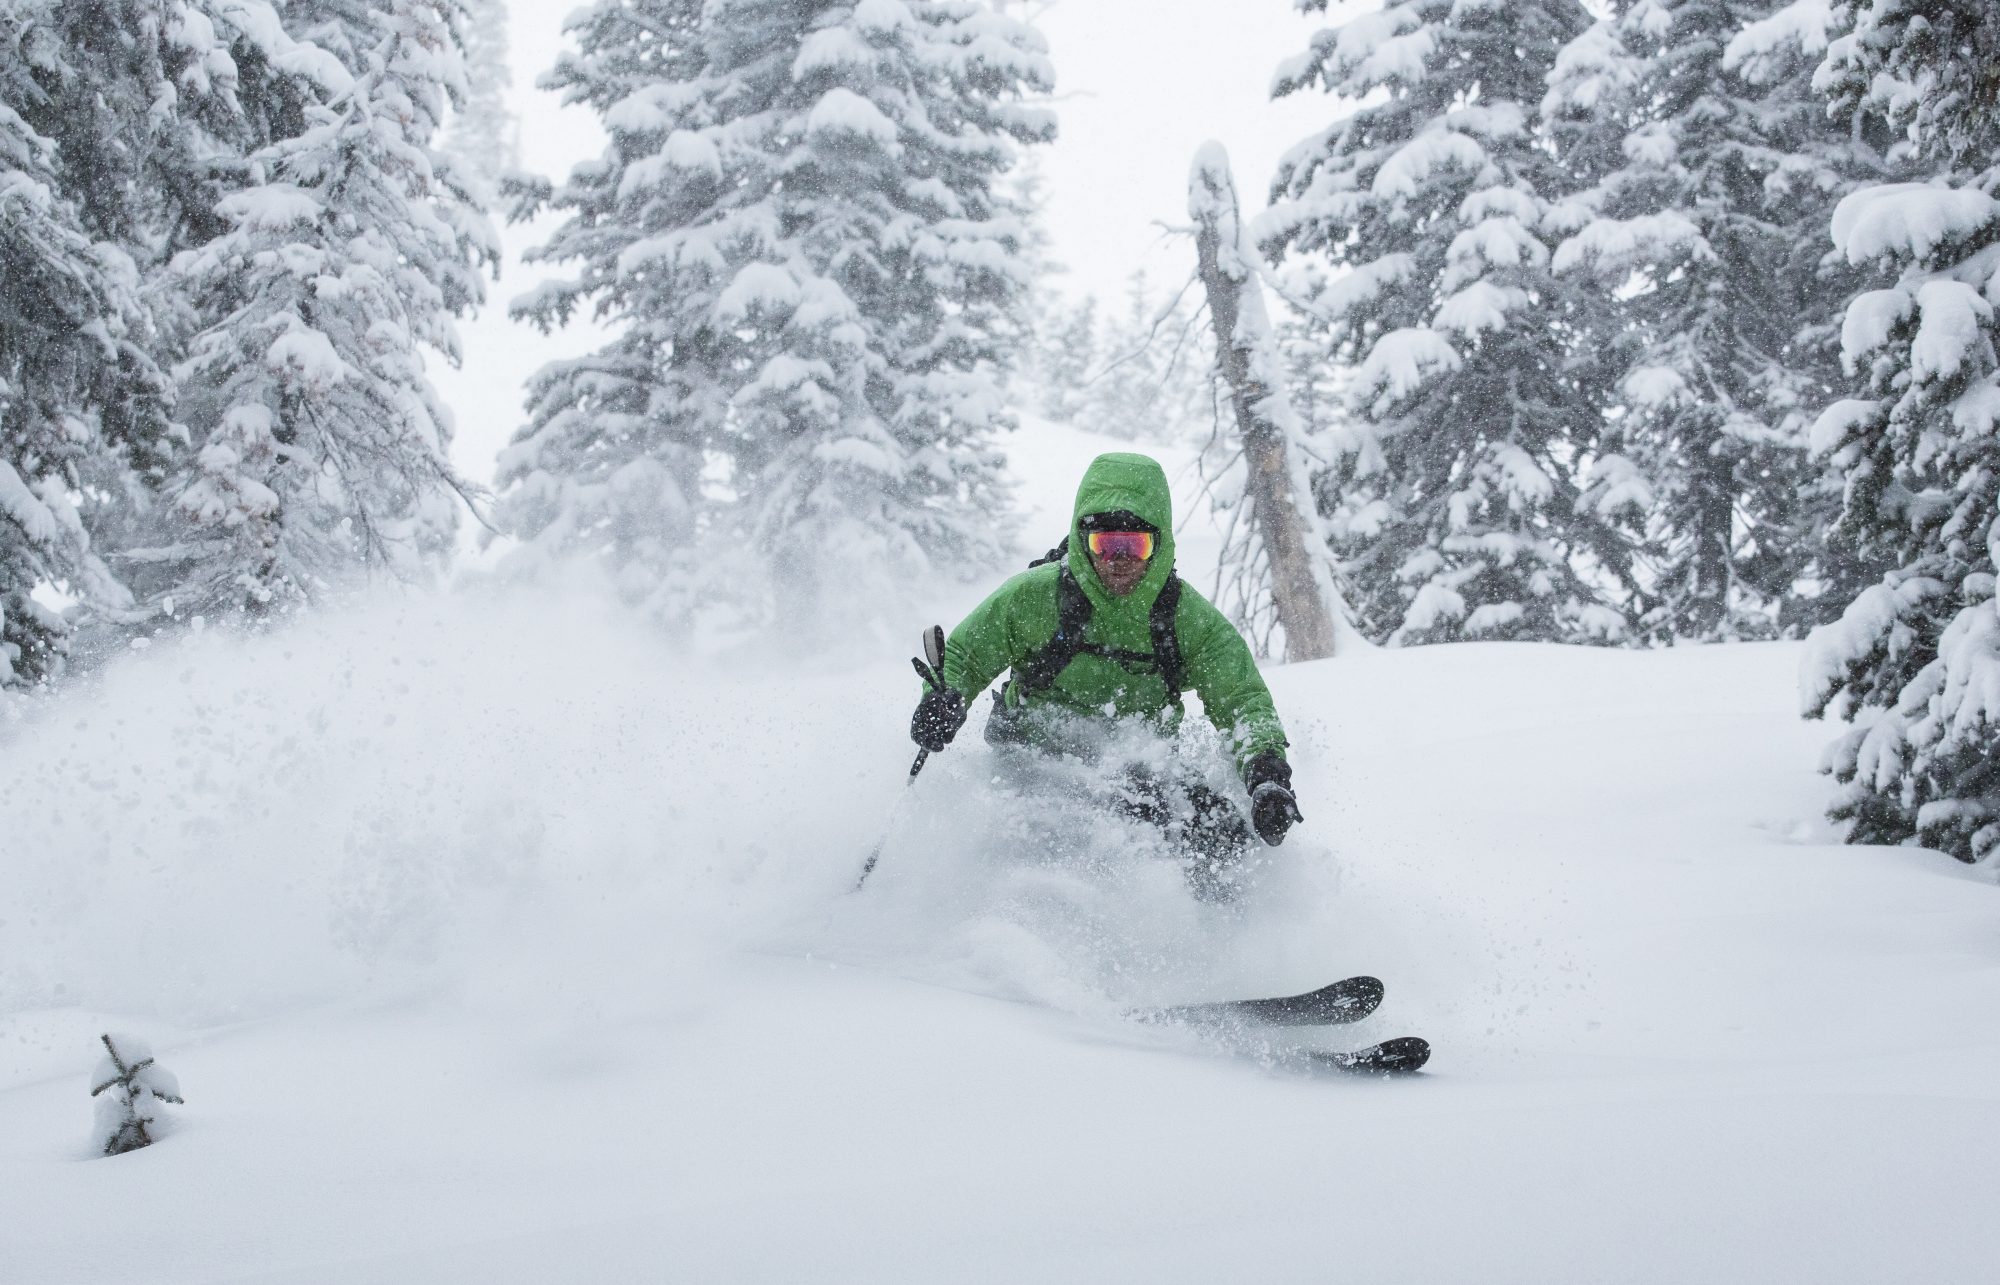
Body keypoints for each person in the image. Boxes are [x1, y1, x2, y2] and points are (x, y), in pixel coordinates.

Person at [908, 451, 1303, 899]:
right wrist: (944, 699)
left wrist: (1266, 772)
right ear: (1082, 541)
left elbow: (1241, 701)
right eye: (1104, 545)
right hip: (1033, 758)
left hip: (1138, 766)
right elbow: (964, 654)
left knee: (1219, 831)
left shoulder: (1186, 620)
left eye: (1134, 546)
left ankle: (1226, 950)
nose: (1118, 560)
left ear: (1159, 546)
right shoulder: (1035, 598)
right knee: (1067, 841)